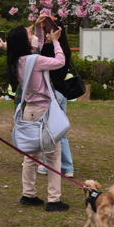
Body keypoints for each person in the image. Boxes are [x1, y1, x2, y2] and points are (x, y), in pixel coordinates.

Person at [5, 23, 70, 212]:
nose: (33, 34)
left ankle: (28, 194)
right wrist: (56, 42)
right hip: (43, 112)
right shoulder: (34, 60)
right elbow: (60, 61)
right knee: (53, 155)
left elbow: (37, 45)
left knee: (31, 155)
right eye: (30, 33)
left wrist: (39, 28)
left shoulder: (18, 60)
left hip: (29, 111)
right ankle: (54, 199)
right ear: (24, 41)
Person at [38, 17, 75, 178]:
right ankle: (68, 167)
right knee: (61, 131)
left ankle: (49, 166)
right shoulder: (65, 49)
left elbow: (35, 52)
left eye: (47, 32)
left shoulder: (47, 49)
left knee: (47, 131)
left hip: (51, 94)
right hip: (62, 93)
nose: (46, 35)